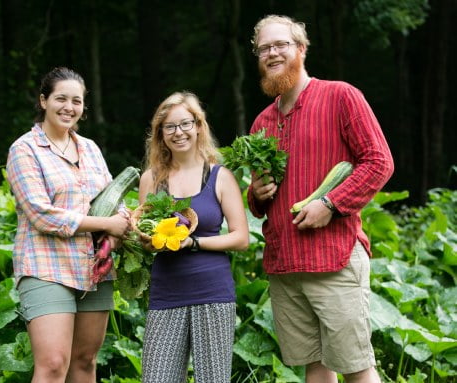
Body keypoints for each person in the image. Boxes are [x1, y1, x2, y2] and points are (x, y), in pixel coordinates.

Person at [247, 15, 394, 383]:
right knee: (314, 366)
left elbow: (379, 161)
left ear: (300, 48)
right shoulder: (261, 123)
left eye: (280, 44)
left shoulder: (340, 95)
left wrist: (330, 205)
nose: (272, 53)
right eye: (264, 48)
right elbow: (258, 199)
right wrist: (257, 194)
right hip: (285, 264)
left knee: (357, 367)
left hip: (334, 257)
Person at [6, 67, 130, 383]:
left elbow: (113, 198)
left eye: (76, 101)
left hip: (94, 268)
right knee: (52, 364)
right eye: (61, 98)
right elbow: (42, 215)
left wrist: (120, 228)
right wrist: (107, 223)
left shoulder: (89, 148)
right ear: (43, 100)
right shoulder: (24, 150)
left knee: (85, 361)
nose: (69, 107)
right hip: (46, 266)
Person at [138, 91, 249, 382]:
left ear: (199, 126)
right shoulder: (151, 179)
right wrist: (143, 239)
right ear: (160, 134)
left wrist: (194, 242)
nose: (179, 133)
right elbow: (144, 231)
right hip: (167, 293)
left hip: (212, 292)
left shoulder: (219, 176)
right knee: (157, 378)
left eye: (185, 124)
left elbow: (241, 238)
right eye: (170, 127)